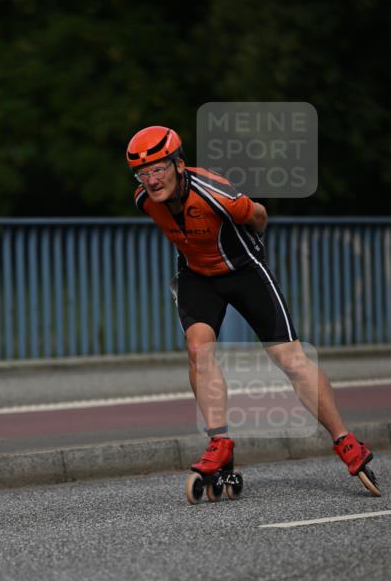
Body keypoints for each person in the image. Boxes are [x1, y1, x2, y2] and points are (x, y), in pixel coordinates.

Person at [126, 125, 380, 497]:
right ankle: (219, 443)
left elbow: (258, 217)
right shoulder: (144, 201)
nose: (151, 180)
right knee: (199, 349)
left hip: (244, 271)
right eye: (142, 173)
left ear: (179, 164)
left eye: (159, 169)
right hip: (197, 276)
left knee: (289, 358)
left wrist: (252, 245)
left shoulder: (215, 194)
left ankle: (345, 440)